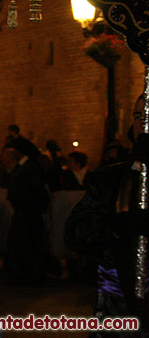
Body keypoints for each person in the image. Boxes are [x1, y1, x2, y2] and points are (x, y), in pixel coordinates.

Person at [65, 95, 149, 336]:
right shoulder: (110, 179)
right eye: (137, 116)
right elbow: (75, 232)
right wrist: (116, 225)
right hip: (120, 311)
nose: (143, 123)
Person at [4, 136, 51, 284]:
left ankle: (32, 274)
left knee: (29, 243)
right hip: (22, 211)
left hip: (29, 212)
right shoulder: (20, 167)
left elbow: (37, 189)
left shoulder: (31, 167)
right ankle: (21, 273)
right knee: (19, 243)